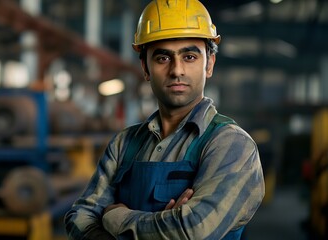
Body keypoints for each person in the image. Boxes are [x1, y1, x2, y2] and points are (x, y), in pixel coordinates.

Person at [64, 0, 265, 239]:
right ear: (145, 68)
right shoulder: (124, 144)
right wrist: (163, 227)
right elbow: (79, 216)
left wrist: (115, 217)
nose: (177, 70)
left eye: (189, 57)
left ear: (209, 64)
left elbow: (192, 230)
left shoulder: (232, 146)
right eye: (163, 58)